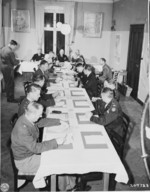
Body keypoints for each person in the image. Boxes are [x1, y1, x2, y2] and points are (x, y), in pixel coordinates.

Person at [11, 102, 66, 186]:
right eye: (39, 114)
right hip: (25, 161)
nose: (41, 116)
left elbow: (41, 122)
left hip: (29, 153)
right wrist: (55, 141)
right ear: (32, 114)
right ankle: (60, 187)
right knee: (57, 162)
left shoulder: (26, 118)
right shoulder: (22, 129)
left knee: (57, 154)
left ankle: (64, 185)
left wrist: (59, 121)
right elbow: (35, 148)